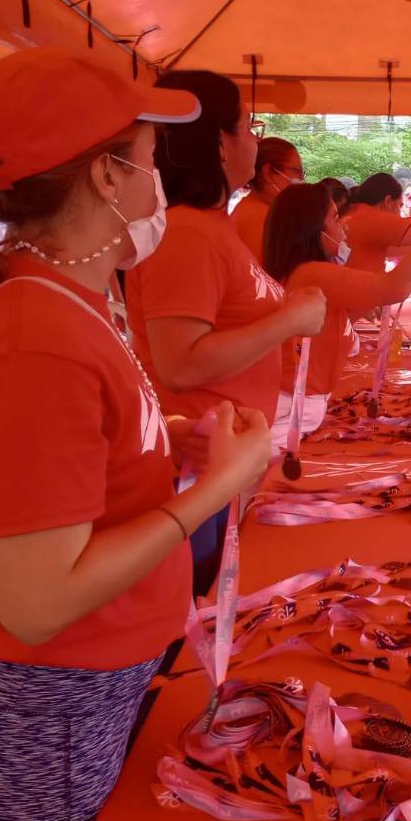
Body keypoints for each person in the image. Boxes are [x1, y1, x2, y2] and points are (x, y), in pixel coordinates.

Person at [0, 47, 271, 821]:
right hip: (41, 709)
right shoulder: (34, 337)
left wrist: (165, 442)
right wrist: (215, 487)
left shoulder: (62, 302)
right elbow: (38, 602)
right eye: (146, 159)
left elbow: (66, 459)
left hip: (78, 692)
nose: (157, 180)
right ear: (106, 178)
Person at [124, 70, 327, 596]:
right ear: (218, 140)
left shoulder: (212, 224)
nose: (255, 140)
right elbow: (180, 362)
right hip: (192, 469)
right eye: (248, 126)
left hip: (222, 463)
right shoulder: (187, 231)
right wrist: (289, 320)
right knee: (190, 614)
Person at [262, 180, 411, 443]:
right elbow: (396, 287)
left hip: (296, 406)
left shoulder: (307, 272)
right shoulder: (312, 273)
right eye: (336, 219)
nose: (344, 227)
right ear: (313, 229)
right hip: (288, 410)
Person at [231, 137, 303, 261]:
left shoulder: (258, 209)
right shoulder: (258, 217)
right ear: (268, 172)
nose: (301, 178)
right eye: (297, 171)